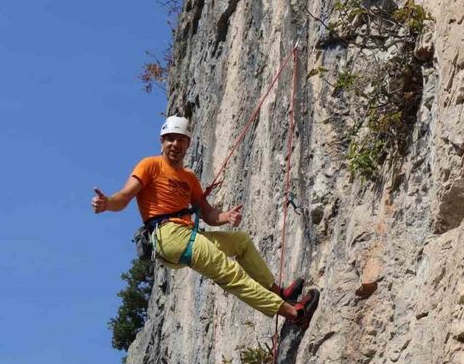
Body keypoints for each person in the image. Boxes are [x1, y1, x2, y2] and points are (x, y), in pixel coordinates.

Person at [91, 116, 319, 329]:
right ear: (162, 142)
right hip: (169, 235)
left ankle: (278, 292)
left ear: (188, 144)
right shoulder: (150, 165)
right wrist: (107, 203)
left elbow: (208, 213)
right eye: (170, 139)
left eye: (181, 140)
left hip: (187, 235)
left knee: (240, 242)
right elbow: (125, 196)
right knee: (229, 273)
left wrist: (226, 217)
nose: (175, 144)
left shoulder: (189, 178)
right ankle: (294, 314)